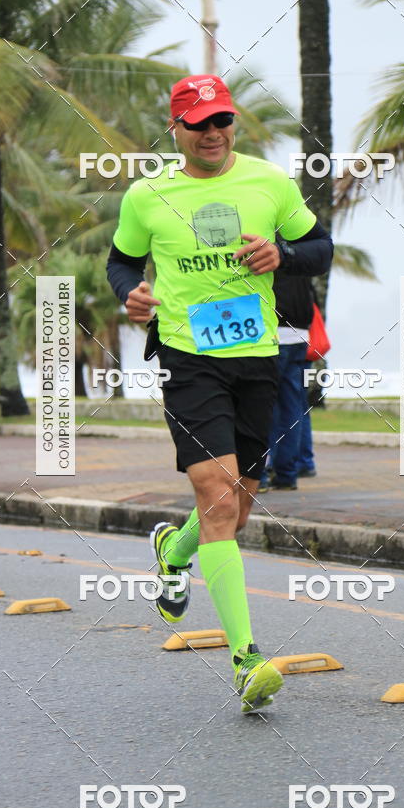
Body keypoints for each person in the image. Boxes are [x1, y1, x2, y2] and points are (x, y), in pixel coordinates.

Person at [106, 74, 333, 712]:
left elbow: (322, 248)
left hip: (257, 357)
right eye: (200, 123)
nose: (213, 134)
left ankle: (172, 551)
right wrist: (132, 291)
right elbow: (121, 260)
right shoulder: (148, 195)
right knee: (216, 493)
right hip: (187, 357)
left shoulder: (270, 182)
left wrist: (282, 253)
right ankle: (246, 659)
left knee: (237, 508)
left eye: (223, 121)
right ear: (176, 128)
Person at [258, 271, 315, 492]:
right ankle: (286, 475)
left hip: (271, 332)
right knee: (293, 408)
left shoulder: (266, 247)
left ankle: (259, 475)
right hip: (300, 334)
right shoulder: (300, 249)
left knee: (260, 407)